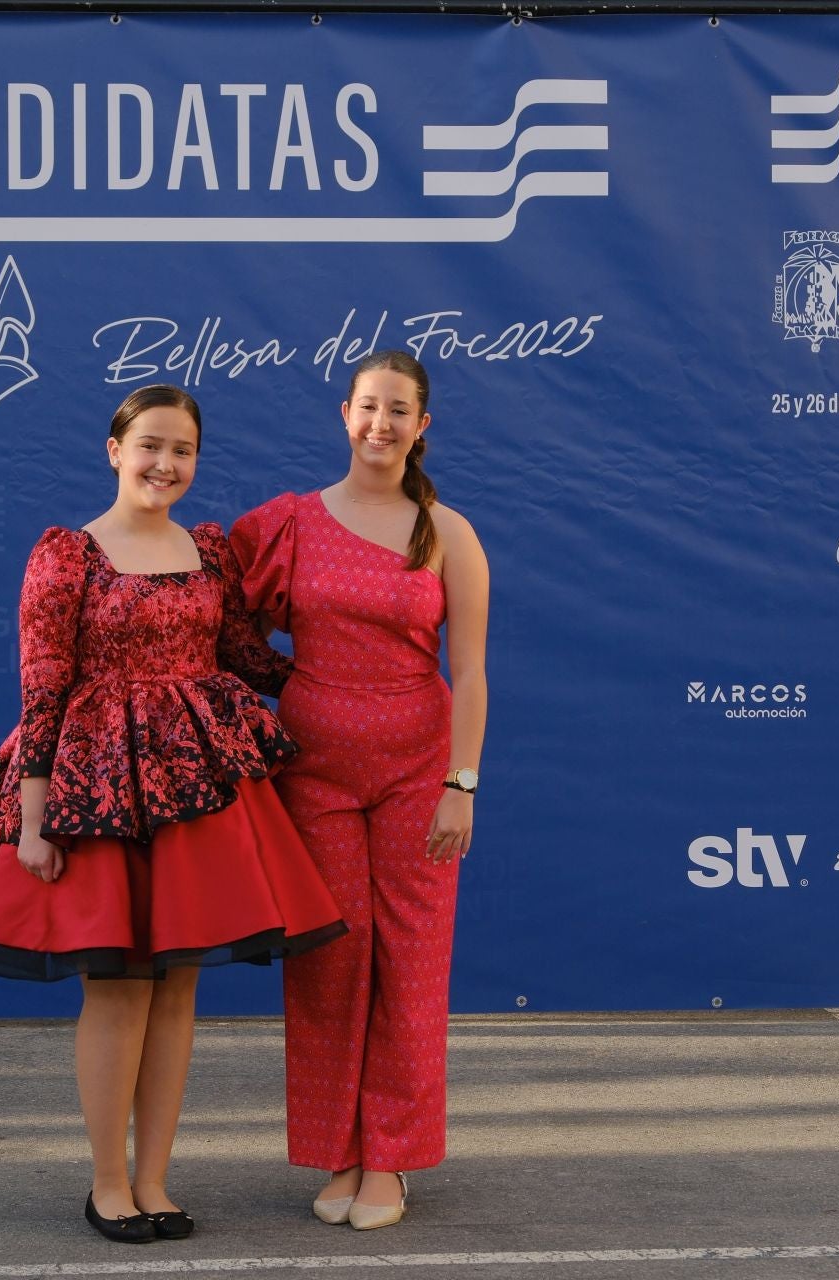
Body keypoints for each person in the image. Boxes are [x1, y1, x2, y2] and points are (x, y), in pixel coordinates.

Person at [0, 384, 347, 1245]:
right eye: (151, 445)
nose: (166, 464)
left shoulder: (209, 551)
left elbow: (246, 658)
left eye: (183, 450)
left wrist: (357, 672)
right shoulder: (67, 554)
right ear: (114, 450)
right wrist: (35, 820)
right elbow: (42, 685)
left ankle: (155, 1179)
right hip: (98, 793)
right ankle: (108, 1185)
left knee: (179, 989)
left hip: (197, 792)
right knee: (119, 988)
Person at [229, 350, 489, 1231]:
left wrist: (461, 785)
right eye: (369, 406)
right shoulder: (290, 523)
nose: (382, 423)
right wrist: (286, 687)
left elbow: (471, 673)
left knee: (411, 964)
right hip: (314, 774)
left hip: (420, 774)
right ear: (345, 414)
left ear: (422, 425)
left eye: (399, 410)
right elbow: (217, 611)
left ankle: (391, 1160)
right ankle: (338, 1150)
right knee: (329, 962)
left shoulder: (448, 532)